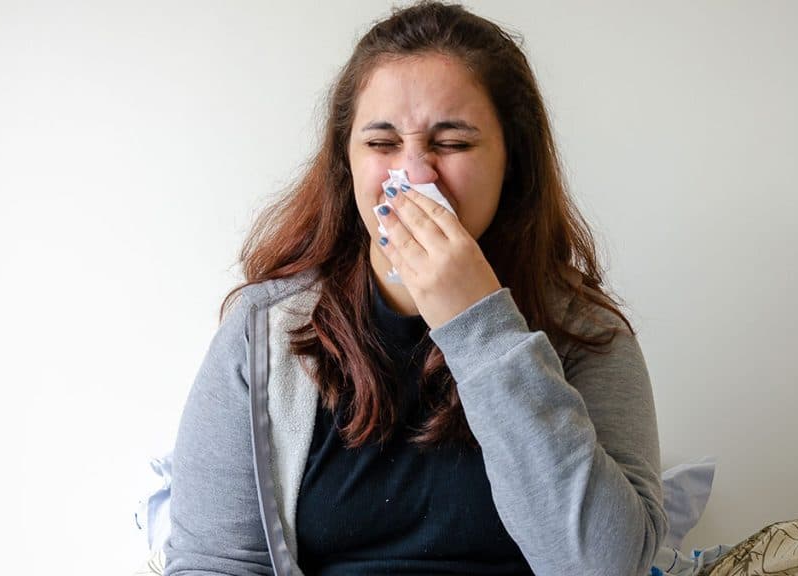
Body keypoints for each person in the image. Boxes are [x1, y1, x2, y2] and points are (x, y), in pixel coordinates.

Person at [164, 2, 667, 575]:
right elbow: (215, 561)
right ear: (346, 165)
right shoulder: (265, 333)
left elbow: (602, 566)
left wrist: (477, 322)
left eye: (452, 143)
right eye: (381, 144)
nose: (415, 175)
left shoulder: (587, 335)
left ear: (513, 161)